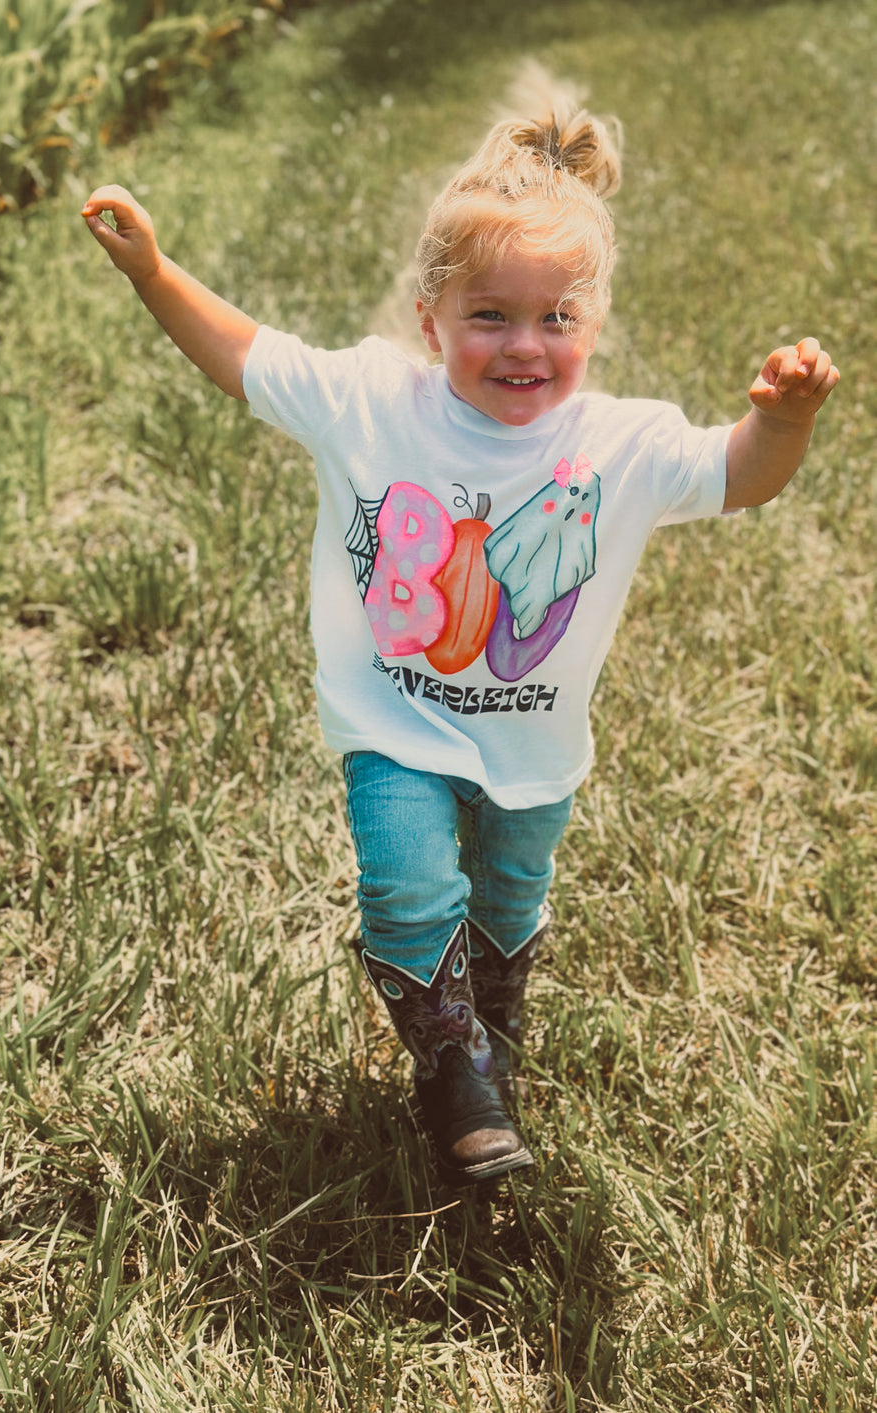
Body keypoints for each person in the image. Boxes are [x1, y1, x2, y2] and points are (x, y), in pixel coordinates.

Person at [81, 94, 838, 1188]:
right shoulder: (369, 403)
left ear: (593, 325)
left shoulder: (617, 444)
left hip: (534, 746)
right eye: (488, 316)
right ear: (430, 319)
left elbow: (738, 476)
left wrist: (784, 421)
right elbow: (242, 354)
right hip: (392, 720)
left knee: (507, 901)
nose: (522, 345)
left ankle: (491, 1022)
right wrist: (154, 274)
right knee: (406, 884)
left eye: (555, 320)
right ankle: (448, 1065)